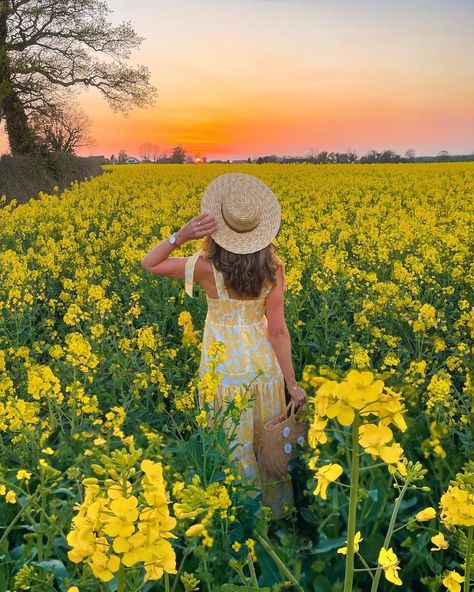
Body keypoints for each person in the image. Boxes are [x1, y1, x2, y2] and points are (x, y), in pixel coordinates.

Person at [141, 172, 307, 520]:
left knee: (234, 444)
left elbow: (149, 263)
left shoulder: (205, 268)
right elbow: (277, 331)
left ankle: (241, 518)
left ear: (219, 229)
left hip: (223, 369)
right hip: (263, 367)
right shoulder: (275, 268)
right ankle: (276, 517)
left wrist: (181, 235)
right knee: (268, 443)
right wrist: (292, 384)